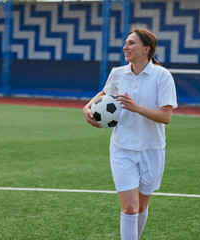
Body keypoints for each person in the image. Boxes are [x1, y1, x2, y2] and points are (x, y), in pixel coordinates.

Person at [83, 27, 177, 240]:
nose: (125, 46)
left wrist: (137, 108)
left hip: (152, 149)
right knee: (130, 207)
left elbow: (166, 117)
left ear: (146, 49)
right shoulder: (118, 73)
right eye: (126, 42)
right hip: (122, 148)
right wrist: (87, 107)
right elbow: (104, 94)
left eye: (131, 43)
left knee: (142, 206)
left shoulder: (162, 76)